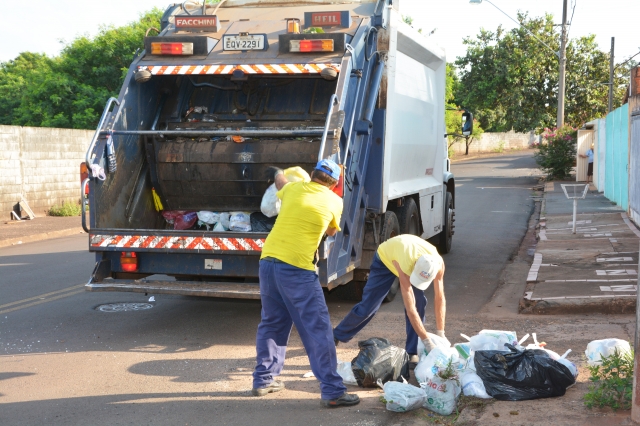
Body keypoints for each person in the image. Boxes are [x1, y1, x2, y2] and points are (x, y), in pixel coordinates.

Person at [252, 159, 360, 408]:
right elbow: (332, 232)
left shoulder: (293, 189)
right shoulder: (334, 201)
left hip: (268, 262)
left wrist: (277, 172)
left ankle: (264, 380)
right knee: (317, 328)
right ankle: (333, 391)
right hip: (297, 269)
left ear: (312, 174)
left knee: (272, 322)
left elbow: (280, 180)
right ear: (334, 184)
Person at [333, 234, 446, 363]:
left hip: (407, 253)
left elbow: (440, 298)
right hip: (386, 259)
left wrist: (440, 332)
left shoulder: (438, 264)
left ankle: (412, 352)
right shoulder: (405, 263)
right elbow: (410, 309)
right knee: (368, 306)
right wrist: (427, 341)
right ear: (415, 267)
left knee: (419, 302)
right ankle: (336, 335)